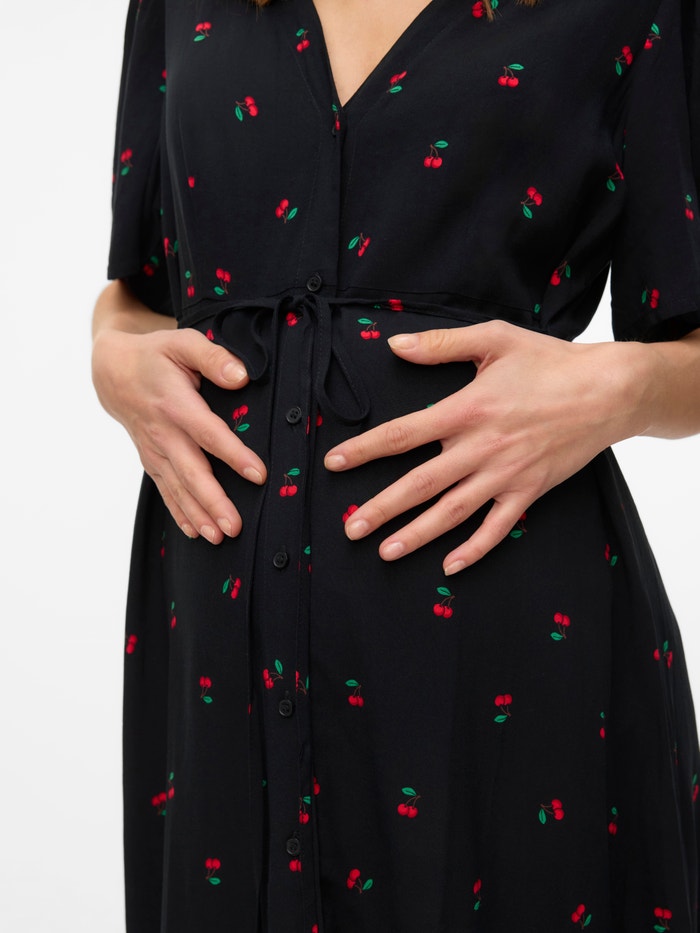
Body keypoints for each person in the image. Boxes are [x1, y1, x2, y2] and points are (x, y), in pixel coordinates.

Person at [92, 0, 700, 929]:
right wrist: (110, 355)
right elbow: (137, 292)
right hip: (217, 649)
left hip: (508, 642)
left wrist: (614, 389)